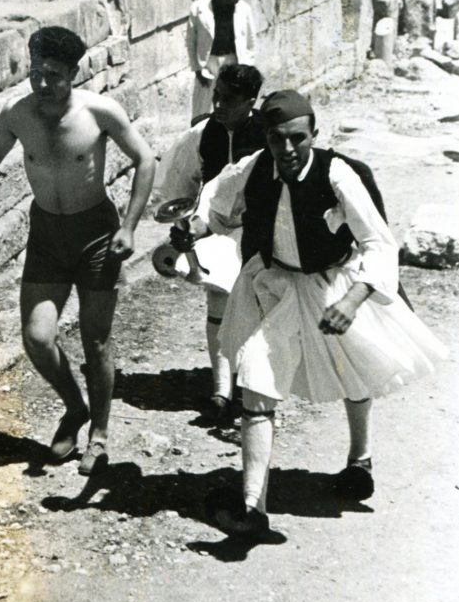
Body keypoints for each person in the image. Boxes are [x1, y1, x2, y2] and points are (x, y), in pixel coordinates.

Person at [172, 89, 447, 539]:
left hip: (334, 283)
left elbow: (378, 242)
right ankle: (252, 507)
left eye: (297, 138)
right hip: (276, 287)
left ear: (314, 133)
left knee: (354, 366)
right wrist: (194, 229)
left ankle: (359, 459)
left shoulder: (337, 174)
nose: (287, 149)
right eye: (276, 138)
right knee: (256, 381)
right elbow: (219, 213)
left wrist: (353, 298)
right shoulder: (252, 168)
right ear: (265, 136)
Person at [0, 26, 155, 475]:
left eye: (53, 74)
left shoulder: (99, 111)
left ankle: (99, 436)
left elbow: (146, 160)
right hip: (47, 233)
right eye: (35, 73)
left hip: (96, 234)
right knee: (37, 337)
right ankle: (75, 407)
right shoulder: (17, 112)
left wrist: (129, 227)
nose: (42, 83)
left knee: (96, 340)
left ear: (73, 72)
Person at [156, 64, 266, 423]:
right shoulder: (202, 134)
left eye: (228, 100)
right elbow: (179, 182)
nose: (218, 105)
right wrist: (183, 223)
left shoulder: (268, 133)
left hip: (260, 228)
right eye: (216, 96)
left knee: (258, 302)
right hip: (215, 227)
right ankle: (222, 390)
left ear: (250, 101)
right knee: (219, 294)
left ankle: (253, 385)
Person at [187, 0, 257, 122]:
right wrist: (197, 69)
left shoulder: (244, 9)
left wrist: (247, 69)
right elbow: (191, 42)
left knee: (235, 103)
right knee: (202, 107)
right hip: (209, 62)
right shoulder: (199, 8)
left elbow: (251, 42)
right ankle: (201, 132)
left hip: (234, 61)